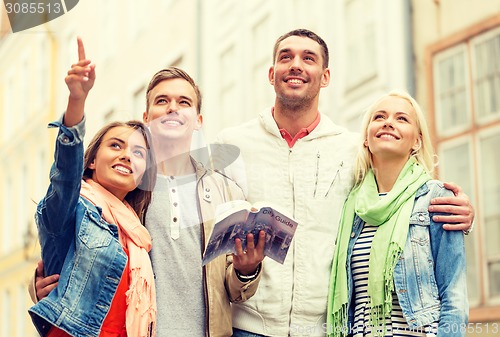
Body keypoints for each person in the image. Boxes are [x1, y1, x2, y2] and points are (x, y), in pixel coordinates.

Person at [216, 29, 474, 336]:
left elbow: (398, 194)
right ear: (272, 74)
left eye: (308, 58)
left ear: (325, 77)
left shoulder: (354, 149)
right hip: (249, 326)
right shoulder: (232, 145)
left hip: (323, 329)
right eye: (286, 57)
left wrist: (461, 213)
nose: (296, 65)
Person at [30, 65, 266, 337]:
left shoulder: (225, 192)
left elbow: (234, 290)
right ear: (146, 117)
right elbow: (69, 233)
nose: (172, 108)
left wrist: (246, 270)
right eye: (162, 101)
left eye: (184, 102)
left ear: (198, 119)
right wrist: (43, 285)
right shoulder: (125, 189)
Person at [28, 37, 158, 337]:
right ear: (92, 161)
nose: (127, 155)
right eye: (116, 145)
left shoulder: (137, 232)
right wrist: (77, 101)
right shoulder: (72, 208)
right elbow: (64, 174)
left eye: (139, 153)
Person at [327, 90, 468, 337]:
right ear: (366, 139)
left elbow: (454, 296)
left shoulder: (436, 198)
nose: (388, 122)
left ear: (417, 141)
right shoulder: (352, 206)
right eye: (379, 117)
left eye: (402, 119)